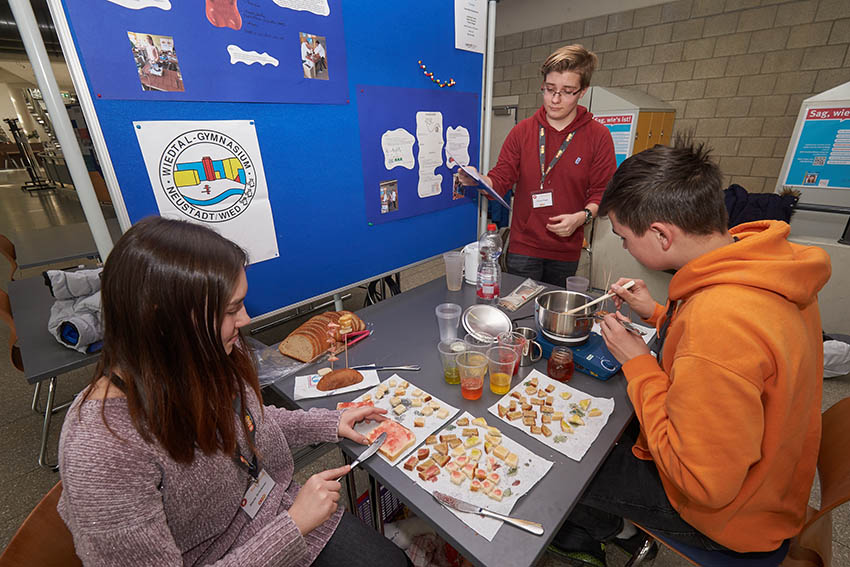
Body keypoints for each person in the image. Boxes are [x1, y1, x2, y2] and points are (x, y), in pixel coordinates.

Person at [58, 216, 411, 567]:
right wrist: (293, 527)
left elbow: (248, 419)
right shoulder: (102, 449)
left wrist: (330, 423)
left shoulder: (201, 354)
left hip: (276, 516)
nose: (245, 320)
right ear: (162, 319)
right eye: (230, 310)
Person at [549, 138, 830, 566]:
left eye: (625, 238)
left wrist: (638, 363)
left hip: (730, 518)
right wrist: (659, 313)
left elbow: (702, 483)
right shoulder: (765, 266)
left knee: (568, 455)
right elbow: (741, 358)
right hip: (771, 479)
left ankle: (613, 532)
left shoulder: (719, 323)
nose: (624, 248)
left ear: (662, 234)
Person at [457, 44, 616, 286]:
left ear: (583, 91)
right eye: (549, 89)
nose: (554, 99)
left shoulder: (598, 136)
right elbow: (501, 178)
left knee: (552, 313)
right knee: (516, 310)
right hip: (524, 246)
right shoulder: (522, 131)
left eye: (567, 91)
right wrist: (480, 180)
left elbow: (602, 193)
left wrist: (581, 217)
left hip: (566, 249)